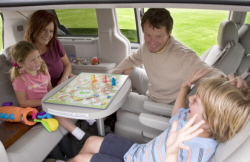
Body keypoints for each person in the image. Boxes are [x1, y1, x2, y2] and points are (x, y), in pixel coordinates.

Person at [66, 69, 250, 162]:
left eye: (196, 101)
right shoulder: (191, 120)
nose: (191, 99)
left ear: (213, 119)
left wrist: (172, 152)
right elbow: (176, 114)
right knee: (90, 142)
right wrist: (184, 88)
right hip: (138, 153)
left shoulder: (197, 151)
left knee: (81, 159)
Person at [112, 8, 225, 115]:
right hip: (154, 88)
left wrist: (229, 82)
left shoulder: (183, 55)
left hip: (164, 103)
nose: (152, 42)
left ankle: (107, 121)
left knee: (115, 99)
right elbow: (131, 59)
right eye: (148, 35)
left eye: (159, 36)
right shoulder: (146, 48)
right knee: (127, 70)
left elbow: (212, 74)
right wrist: (111, 76)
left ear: (169, 32)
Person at [9, 41, 94, 151]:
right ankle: (81, 136)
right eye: (32, 59)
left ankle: (90, 119)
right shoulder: (20, 80)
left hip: (48, 101)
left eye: (38, 57)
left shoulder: (43, 71)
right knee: (56, 112)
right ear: (20, 63)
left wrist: (58, 96)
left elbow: (49, 89)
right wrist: (46, 101)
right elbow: (23, 102)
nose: (38, 61)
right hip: (35, 109)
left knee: (69, 97)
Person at [24, 10, 73, 87]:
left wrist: (64, 78)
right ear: (34, 28)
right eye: (44, 30)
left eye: (51, 31)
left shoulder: (55, 43)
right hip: (43, 89)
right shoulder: (24, 50)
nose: (48, 35)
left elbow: (67, 65)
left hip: (62, 81)